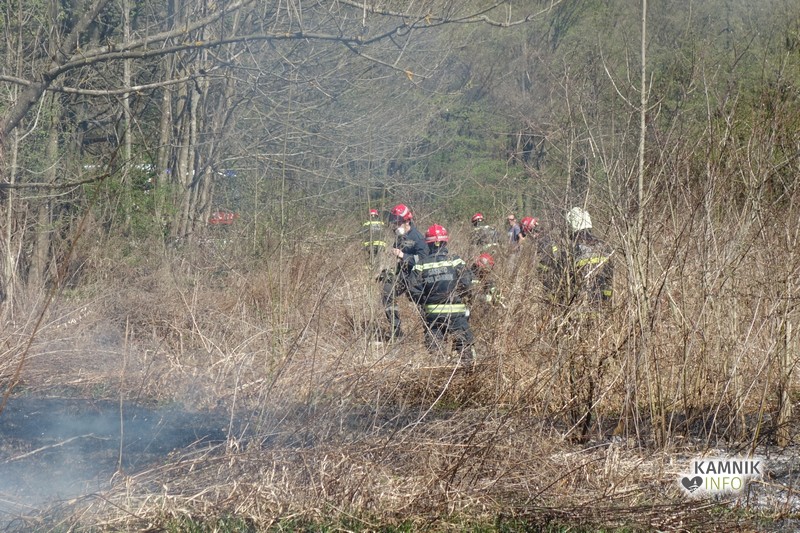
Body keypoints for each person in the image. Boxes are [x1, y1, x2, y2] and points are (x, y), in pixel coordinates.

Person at [408, 224, 475, 368]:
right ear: (445, 242)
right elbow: (467, 283)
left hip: (433, 315)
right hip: (456, 313)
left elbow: (413, 290)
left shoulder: (421, 265)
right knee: (464, 347)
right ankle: (468, 372)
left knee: (436, 351)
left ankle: (439, 373)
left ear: (428, 244)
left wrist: (426, 301)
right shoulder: (455, 261)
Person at [380, 203, 428, 341]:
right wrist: (390, 272)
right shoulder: (399, 237)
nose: (395, 225)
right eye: (394, 222)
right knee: (387, 292)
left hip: (417, 277)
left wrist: (403, 256)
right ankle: (396, 331)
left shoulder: (418, 238)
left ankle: (430, 334)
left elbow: (423, 260)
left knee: (423, 304)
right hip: (403, 275)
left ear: (407, 221)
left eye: (398, 222)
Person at [564, 207, 613, 312]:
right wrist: (606, 302)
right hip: (601, 306)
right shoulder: (603, 246)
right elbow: (609, 279)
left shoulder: (572, 250)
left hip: (581, 306)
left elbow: (566, 281)